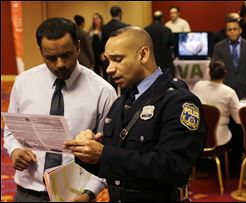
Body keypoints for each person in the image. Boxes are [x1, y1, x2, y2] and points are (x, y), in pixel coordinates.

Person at [64, 26, 207, 202]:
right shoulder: (120, 103)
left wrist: (104, 154)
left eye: (117, 59)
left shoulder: (178, 101)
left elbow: (172, 166)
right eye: (108, 61)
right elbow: (114, 168)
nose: (109, 69)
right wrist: (87, 153)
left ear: (143, 55)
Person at [3, 17, 117, 202]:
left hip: (76, 194)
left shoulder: (102, 91)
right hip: (27, 191)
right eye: (51, 57)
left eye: (66, 55)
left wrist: (90, 193)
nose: (60, 64)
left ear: (78, 47)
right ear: (41, 51)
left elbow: (108, 150)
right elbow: (10, 130)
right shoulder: (24, 83)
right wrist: (15, 150)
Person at [192, 58, 240, 146]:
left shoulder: (198, 86)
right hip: (219, 139)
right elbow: (238, 119)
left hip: (197, 137)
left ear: (209, 72)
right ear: (225, 73)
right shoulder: (229, 92)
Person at [213, 18, 246, 100]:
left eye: (235, 29)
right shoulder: (218, 47)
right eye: (229, 30)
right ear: (226, 32)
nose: (232, 32)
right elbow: (215, 72)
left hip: (245, 90)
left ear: (240, 30)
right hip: (225, 91)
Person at [101, 5, 129, 89]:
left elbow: (103, 44)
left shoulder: (104, 28)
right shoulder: (126, 26)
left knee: (111, 81)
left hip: (108, 57)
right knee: (125, 80)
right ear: (120, 14)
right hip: (122, 57)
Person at [145, 10, 176, 76]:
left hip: (151, 65)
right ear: (162, 19)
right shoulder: (167, 30)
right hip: (166, 65)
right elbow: (172, 44)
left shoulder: (146, 30)